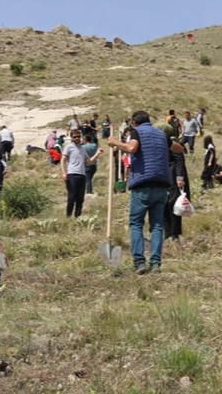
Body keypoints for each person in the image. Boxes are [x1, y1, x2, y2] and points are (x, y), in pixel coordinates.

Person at [105, 110, 181, 274]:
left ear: (134, 122)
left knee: (136, 224)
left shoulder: (136, 132)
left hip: (142, 184)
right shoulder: (161, 134)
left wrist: (115, 142)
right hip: (161, 185)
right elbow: (178, 148)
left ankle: (139, 262)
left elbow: (132, 148)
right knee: (157, 225)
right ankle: (155, 264)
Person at [62, 126, 90, 217]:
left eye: (78, 136)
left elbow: (88, 162)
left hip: (82, 175)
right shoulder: (69, 147)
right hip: (72, 174)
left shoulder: (83, 149)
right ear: (71, 138)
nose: (77, 138)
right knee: (72, 196)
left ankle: (77, 216)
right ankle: (68, 216)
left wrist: (97, 154)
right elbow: (63, 160)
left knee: (80, 198)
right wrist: (64, 172)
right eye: (75, 137)